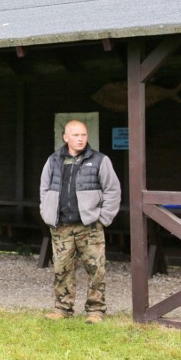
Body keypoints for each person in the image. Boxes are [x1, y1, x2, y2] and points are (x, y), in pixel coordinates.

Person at [39, 120, 121, 324]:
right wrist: (47, 213)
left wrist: (103, 218)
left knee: (96, 269)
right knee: (62, 269)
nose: (80, 138)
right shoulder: (53, 160)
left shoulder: (100, 160)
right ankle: (62, 308)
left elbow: (113, 190)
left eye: (83, 135)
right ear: (66, 138)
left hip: (90, 227)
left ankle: (96, 310)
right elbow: (44, 189)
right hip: (61, 226)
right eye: (75, 135)